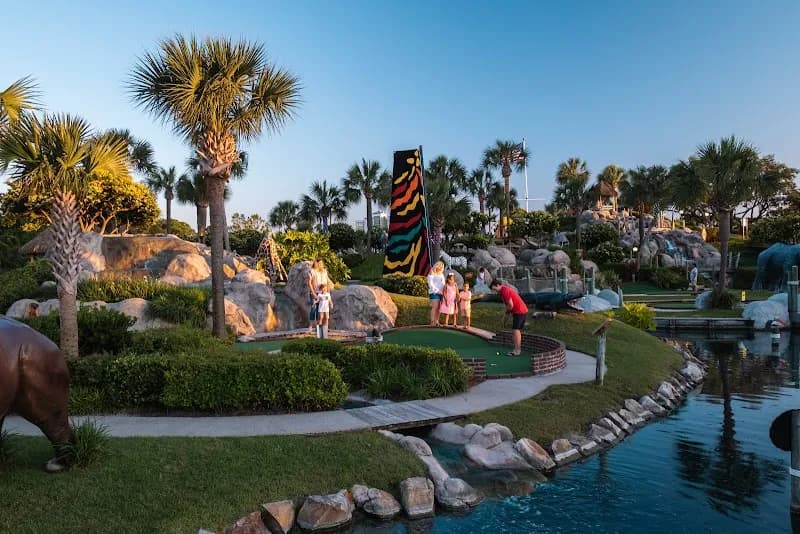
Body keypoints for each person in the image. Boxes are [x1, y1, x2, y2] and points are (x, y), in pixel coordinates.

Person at [490, 279, 528, 356]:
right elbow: (509, 305)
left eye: (494, 289)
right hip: (520, 310)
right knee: (516, 330)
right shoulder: (503, 290)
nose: (495, 291)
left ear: (497, 285)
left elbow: (510, 305)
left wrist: (506, 314)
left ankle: (517, 350)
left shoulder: (504, 291)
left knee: (516, 330)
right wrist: (506, 316)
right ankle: (517, 349)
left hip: (519, 311)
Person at [308, 257, 330, 333]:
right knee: (313, 308)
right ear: (316, 263)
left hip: (323, 293)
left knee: (320, 310)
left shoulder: (324, 271)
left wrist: (327, 291)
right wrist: (313, 293)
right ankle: (310, 326)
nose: (320, 264)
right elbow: (309, 283)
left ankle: (319, 327)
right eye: (319, 263)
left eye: (321, 263)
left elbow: (327, 281)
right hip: (315, 292)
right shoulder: (312, 271)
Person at [427, 261, 446, 326]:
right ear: (436, 265)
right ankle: (432, 322)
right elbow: (430, 284)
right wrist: (438, 291)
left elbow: (443, 284)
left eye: (441, 266)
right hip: (434, 292)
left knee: (439, 308)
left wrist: (444, 291)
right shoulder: (432, 272)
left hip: (441, 293)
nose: (440, 267)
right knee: (435, 307)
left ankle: (436, 322)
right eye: (439, 265)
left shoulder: (441, 274)